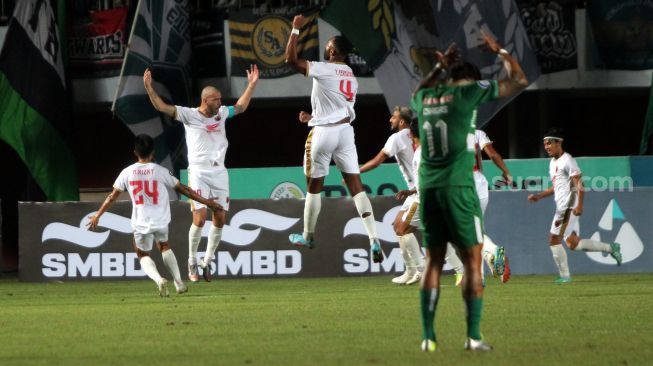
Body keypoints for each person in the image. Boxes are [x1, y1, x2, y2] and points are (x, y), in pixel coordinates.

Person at [413, 32, 528, 352]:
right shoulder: (468, 94)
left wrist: (438, 67)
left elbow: (419, 90)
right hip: (459, 188)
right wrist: (500, 50)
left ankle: (428, 338)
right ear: (470, 82)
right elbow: (518, 80)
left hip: (429, 189)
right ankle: (473, 337)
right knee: (473, 262)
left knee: (433, 262)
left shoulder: (424, 99)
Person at [143, 64, 259, 282]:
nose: (220, 102)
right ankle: (192, 260)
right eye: (216, 99)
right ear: (205, 101)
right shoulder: (188, 115)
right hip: (198, 172)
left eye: (220, 99)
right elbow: (162, 107)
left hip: (219, 172)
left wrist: (251, 84)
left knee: (220, 218)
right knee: (200, 218)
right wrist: (149, 88)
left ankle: (207, 261)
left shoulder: (222, 114)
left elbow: (241, 106)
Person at [285, 15, 382, 262]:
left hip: (325, 134)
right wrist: (312, 116)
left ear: (332, 50)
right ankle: (373, 238)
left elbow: (290, 60)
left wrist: (295, 30)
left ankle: (308, 235)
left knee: (314, 187)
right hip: (345, 133)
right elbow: (336, 105)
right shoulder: (350, 75)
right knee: (356, 187)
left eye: (328, 45)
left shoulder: (324, 68)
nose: (325, 47)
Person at [86, 135, 222, 296]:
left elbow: (112, 196)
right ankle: (179, 283)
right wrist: (207, 201)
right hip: (160, 220)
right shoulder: (161, 171)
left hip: (140, 221)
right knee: (164, 246)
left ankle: (159, 280)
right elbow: (184, 189)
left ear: (135, 151)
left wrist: (97, 215)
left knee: (142, 254)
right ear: (153, 152)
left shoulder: (127, 172)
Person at [528, 127, 622, 283]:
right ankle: (611, 248)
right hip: (562, 206)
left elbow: (579, 184)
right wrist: (539, 196)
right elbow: (556, 187)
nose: (547, 147)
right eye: (545, 144)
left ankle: (565, 277)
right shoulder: (552, 163)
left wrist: (580, 206)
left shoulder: (568, 160)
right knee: (573, 244)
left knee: (553, 239)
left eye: (549, 143)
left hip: (569, 207)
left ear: (559, 143)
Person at [359, 107, 424, 284]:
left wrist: (357, 172)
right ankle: (411, 271)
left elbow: (377, 161)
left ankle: (420, 270)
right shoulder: (418, 137)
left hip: (419, 191)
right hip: (415, 190)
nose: (390, 120)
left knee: (403, 229)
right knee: (397, 226)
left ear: (402, 121)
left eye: (393, 117)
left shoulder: (397, 138)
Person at [446, 129, 513, 286]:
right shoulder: (478, 133)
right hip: (480, 183)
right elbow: (493, 155)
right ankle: (480, 275)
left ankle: (494, 252)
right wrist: (506, 172)